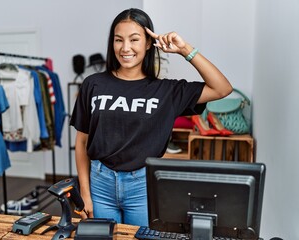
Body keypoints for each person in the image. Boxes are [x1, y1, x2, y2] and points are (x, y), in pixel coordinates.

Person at [69, 8, 232, 226]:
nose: (125, 48)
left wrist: (185, 49)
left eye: (134, 39)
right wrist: (85, 193)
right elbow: (81, 142)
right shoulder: (93, 84)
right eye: (119, 40)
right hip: (100, 184)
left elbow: (222, 88)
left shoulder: (166, 91)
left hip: (142, 186)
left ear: (148, 43)